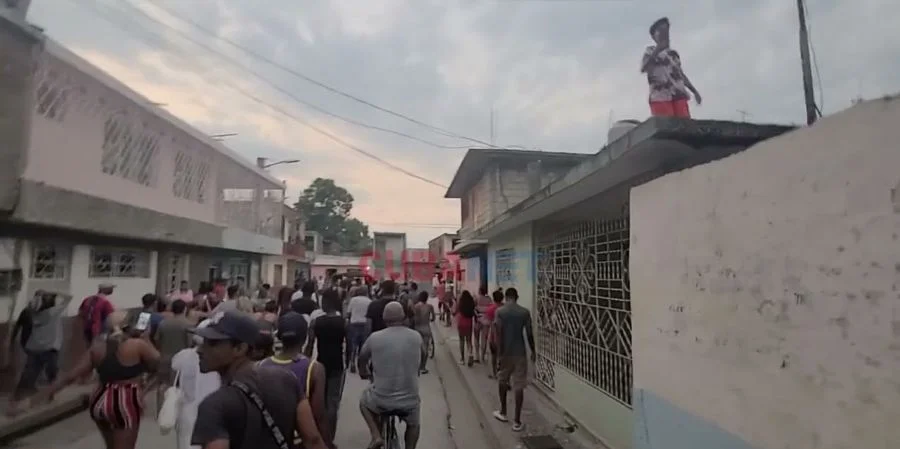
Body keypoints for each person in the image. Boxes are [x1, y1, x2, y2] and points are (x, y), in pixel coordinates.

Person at [190, 310, 328, 449]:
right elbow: (313, 439)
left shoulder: (214, 406)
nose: (200, 350)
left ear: (239, 348)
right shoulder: (286, 379)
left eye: (212, 343)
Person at [43, 311, 160, 449]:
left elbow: (71, 376)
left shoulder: (97, 347)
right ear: (130, 326)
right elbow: (157, 361)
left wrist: (48, 392)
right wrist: (146, 338)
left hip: (100, 398)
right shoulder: (137, 345)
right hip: (125, 401)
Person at [358, 302, 426, 449]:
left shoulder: (375, 337)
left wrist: (363, 371)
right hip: (409, 401)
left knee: (364, 402)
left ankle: (376, 436)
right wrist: (419, 367)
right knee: (414, 424)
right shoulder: (416, 336)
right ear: (403, 317)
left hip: (381, 400)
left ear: (384, 319)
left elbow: (362, 357)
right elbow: (424, 354)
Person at [258, 312, 327, 447]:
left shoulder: (261, 365)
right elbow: (319, 416)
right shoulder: (314, 369)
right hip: (298, 440)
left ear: (279, 336)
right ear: (305, 336)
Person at [7, 290, 74, 416]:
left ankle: (15, 399)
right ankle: (50, 395)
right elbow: (69, 297)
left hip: (34, 348)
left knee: (28, 374)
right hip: (49, 349)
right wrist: (53, 292)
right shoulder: (52, 312)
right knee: (52, 373)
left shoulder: (32, 313)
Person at [305, 289, 347, 449]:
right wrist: (349, 361)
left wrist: (306, 362)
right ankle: (330, 439)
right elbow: (348, 345)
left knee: (318, 401)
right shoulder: (342, 322)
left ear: (326, 302)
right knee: (333, 403)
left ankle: (319, 435)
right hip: (337, 365)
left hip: (321, 363)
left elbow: (309, 345)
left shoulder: (317, 322)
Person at [171, 319, 223, 449]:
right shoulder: (221, 361)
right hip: (211, 414)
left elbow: (174, 365)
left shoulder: (184, 355)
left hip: (188, 411)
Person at [492, 288, 536, 432]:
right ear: (516, 297)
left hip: (505, 352)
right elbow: (529, 333)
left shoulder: (500, 312)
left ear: (506, 297)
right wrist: (533, 351)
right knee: (518, 385)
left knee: (502, 379)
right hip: (520, 352)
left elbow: (498, 333)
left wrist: (499, 353)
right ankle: (517, 421)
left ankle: (503, 412)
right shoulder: (524, 312)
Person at [640, 17, 701, 118]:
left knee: (684, 126)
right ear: (653, 36)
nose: (664, 34)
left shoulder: (673, 54)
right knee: (665, 126)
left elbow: (681, 75)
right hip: (660, 96)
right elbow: (644, 68)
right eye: (660, 31)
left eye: (666, 30)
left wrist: (694, 91)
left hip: (679, 94)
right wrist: (658, 49)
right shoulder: (650, 51)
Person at [153, 299, 193, 414]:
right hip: (182, 360)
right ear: (185, 309)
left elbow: (156, 340)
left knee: (162, 384)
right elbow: (190, 343)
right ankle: (177, 411)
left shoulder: (163, 323)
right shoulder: (188, 324)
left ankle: (160, 411)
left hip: (165, 356)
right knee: (181, 386)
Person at [345, 286, 372, 373]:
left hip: (354, 323)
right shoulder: (369, 301)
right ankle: (361, 364)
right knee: (363, 345)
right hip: (365, 324)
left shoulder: (353, 300)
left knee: (354, 344)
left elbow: (348, 313)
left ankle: (352, 362)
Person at [411, 291, 434, 374]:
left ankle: (417, 365)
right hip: (426, 328)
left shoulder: (416, 306)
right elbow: (433, 318)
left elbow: (414, 318)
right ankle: (423, 367)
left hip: (417, 328)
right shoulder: (430, 306)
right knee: (426, 348)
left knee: (418, 348)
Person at [485, 290, 504, 379]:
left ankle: (495, 373)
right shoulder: (505, 308)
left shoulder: (490, 309)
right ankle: (502, 372)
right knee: (503, 355)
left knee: (494, 355)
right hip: (505, 335)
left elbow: (488, 323)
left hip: (494, 335)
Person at [454, 290, 477, 366]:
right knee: (469, 340)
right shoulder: (471, 303)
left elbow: (455, 311)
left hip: (461, 323)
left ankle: (462, 359)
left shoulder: (460, 303)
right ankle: (470, 354)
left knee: (461, 341)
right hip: (469, 323)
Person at [473, 285, 492, 364]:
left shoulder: (477, 298)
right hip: (487, 320)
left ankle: (477, 356)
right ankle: (483, 357)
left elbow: (473, 307)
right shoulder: (489, 299)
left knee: (476, 338)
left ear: (480, 291)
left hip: (478, 318)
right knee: (484, 339)